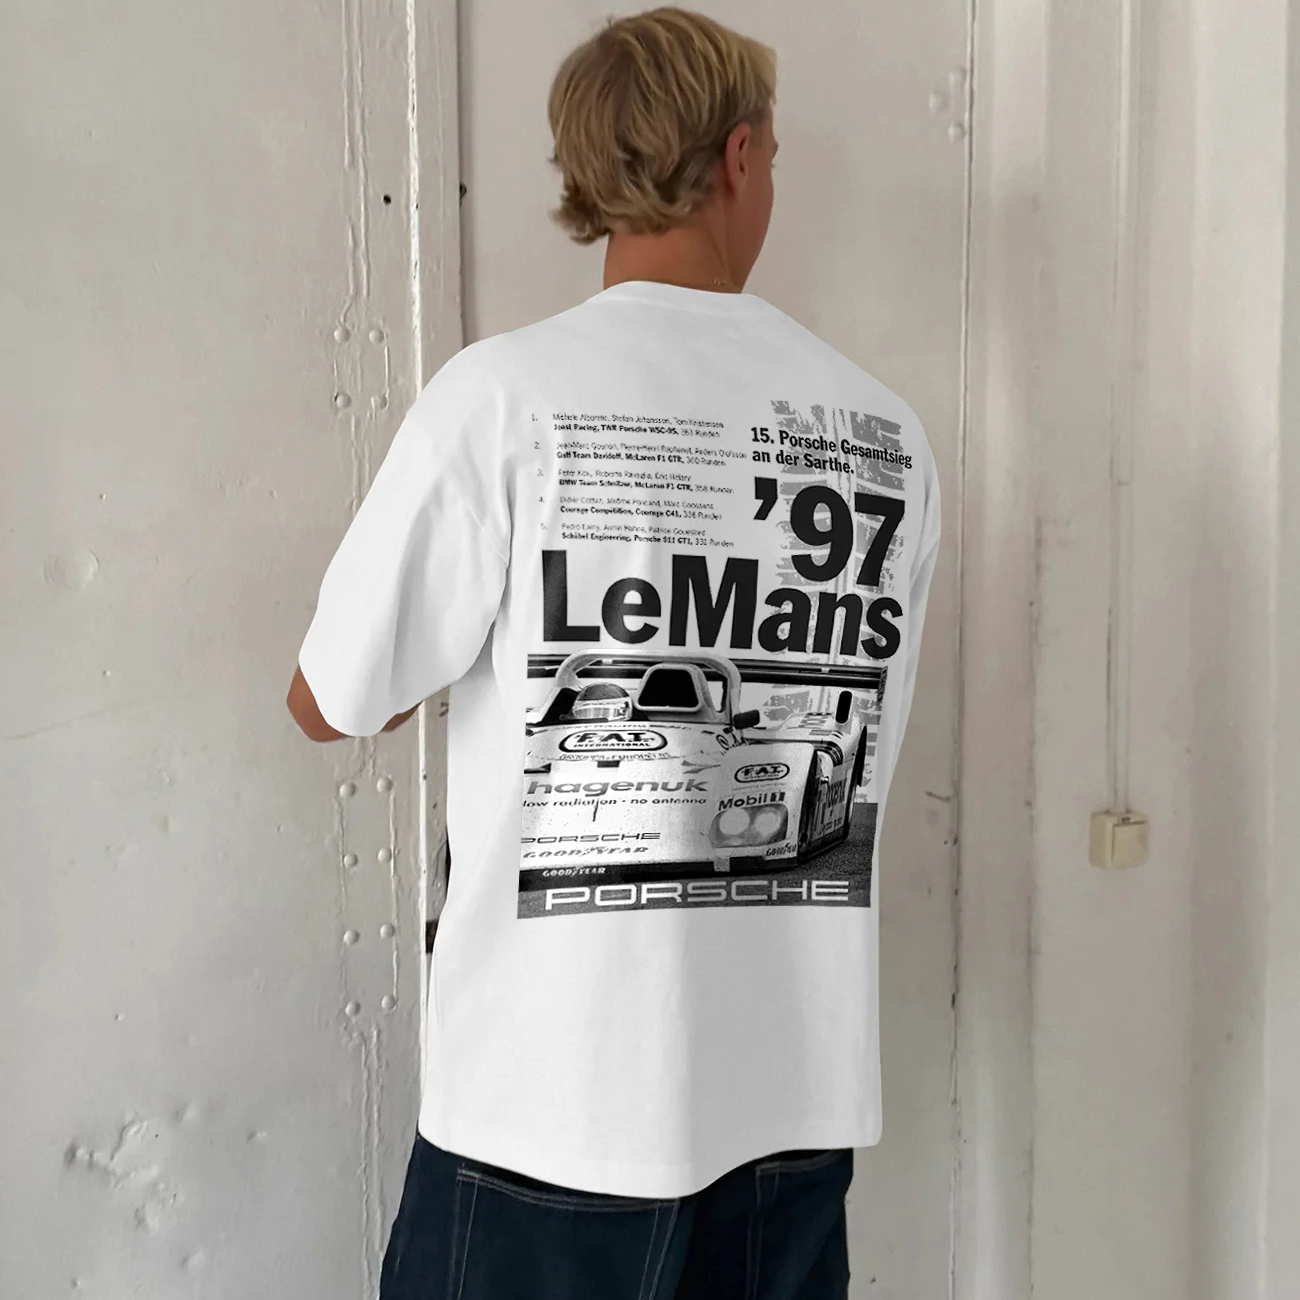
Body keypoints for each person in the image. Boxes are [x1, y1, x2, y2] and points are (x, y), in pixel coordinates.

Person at [287, 8, 940, 1298]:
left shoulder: (505, 398)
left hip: (550, 1107)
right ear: (740, 155)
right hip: (794, 1105)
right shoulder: (884, 435)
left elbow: (330, 701)